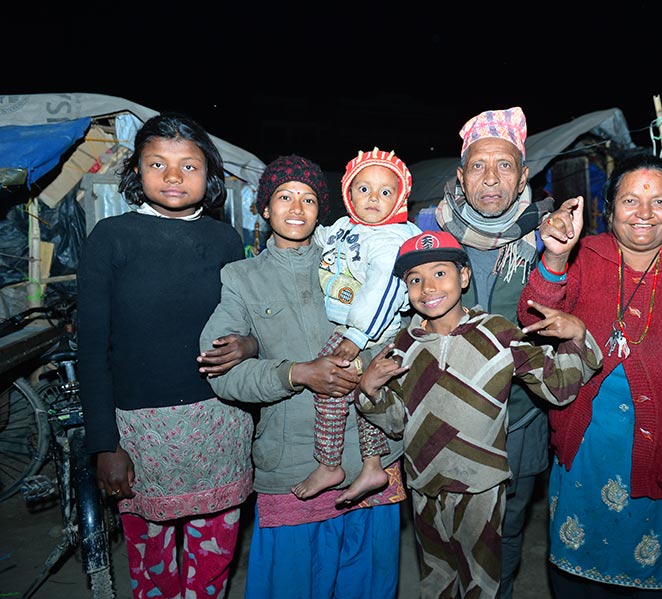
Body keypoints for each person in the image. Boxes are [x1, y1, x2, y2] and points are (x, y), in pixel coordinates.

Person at [517, 151, 662, 598]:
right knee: (579, 577)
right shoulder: (585, 255)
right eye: (630, 201)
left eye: (659, 202)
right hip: (587, 449)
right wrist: (553, 258)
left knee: (660, 578)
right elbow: (532, 316)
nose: (644, 213)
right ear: (608, 210)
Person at [198, 154, 407, 599]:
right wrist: (294, 373)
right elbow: (222, 373)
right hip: (293, 467)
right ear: (264, 208)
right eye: (284, 197)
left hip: (374, 458)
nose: (296, 209)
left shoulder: (353, 255)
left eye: (309, 199)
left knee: (369, 586)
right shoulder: (242, 279)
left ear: (323, 208)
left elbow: (397, 318)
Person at [356, 230, 603, 599]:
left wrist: (578, 336)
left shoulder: (499, 333)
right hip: (425, 483)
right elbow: (395, 424)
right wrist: (371, 390)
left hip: (481, 487)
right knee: (435, 579)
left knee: (481, 583)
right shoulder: (402, 346)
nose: (428, 287)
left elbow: (560, 388)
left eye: (440, 273)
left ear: (464, 277)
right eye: (415, 279)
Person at [77, 112, 255, 598]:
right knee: (151, 564)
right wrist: (104, 444)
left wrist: (249, 345)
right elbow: (91, 348)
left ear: (209, 175)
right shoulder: (110, 238)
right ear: (137, 172)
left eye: (189, 166)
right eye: (158, 163)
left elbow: (248, 325)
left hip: (220, 424)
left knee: (213, 557)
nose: (173, 176)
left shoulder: (225, 240)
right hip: (139, 433)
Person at [414, 106, 560, 599]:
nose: (491, 178)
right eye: (478, 165)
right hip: (442, 415)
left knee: (507, 534)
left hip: (517, 418)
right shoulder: (428, 232)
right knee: (440, 535)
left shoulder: (548, 237)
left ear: (523, 177)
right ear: (461, 175)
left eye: (504, 165)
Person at [292, 147, 421, 504]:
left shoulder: (391, 239)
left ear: (400, 198)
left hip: (373, 332)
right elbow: (323, 238)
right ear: (348, 192)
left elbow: (382, 291)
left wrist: (356, 336)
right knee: (364, 394)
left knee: (330, 385)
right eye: (363, 189)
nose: (373, 199)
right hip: (356, 329)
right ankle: (372, 465)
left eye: (385, 192)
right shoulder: (348, 227)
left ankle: (330, 464)